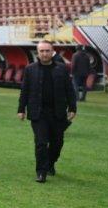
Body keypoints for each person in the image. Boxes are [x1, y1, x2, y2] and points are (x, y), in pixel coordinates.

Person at [17, 40, 77, 183]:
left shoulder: (62, 69)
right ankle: (41, 172)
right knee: (41, 143)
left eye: (47, 51)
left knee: (57, 143)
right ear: (38, 53)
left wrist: (73, 107)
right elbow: (24, 90)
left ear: (52, 51)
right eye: (42, 51)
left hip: (58, 113)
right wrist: (21, 109)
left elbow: (70, 90)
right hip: (38, 113)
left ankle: (50, 163)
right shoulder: (30, 69)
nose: (44, 53)